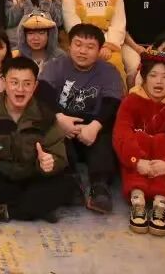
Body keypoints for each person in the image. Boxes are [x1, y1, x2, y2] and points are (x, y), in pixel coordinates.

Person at [0, 56, 77, 226]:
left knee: (64, 185)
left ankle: (1, 211)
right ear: (4, 82)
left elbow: (59, 155)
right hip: (0, 177)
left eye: (27, 83)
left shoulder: (45, 115)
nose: (20, 89)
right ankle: (34, 208)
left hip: (32, 176)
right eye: (14, 82)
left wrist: (49, 163)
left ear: (35, 86)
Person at [38, 23, 123, 214]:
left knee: (105, 138)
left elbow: (112, 102)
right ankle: (71, 182)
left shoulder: (109, 71)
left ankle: (99, 186)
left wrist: (95, 126)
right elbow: (43, 93)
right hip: (63, 121)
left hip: (93, 124)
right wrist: (59, 118)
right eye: (78, 44)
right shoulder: (56, 66)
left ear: (99, 50)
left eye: (90, 47)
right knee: (53, 134)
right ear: (69, 46)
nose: (82, 51)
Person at [112, 50, 165, 236]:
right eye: (153, 75)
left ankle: (160, 202)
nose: (159, 81)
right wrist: (136, 161)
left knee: (164, 140)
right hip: (138, 161)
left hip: (164, 163)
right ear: (144, 78)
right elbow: (121, 133)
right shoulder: (132, 100)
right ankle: (138, 199)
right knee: (138, 137)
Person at [62, 0, 131, 82]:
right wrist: (91, 47)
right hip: (82, 46)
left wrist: (107, 46)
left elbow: (119, 24)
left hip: (109, 46)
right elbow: (72, 25)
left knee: (115, 67)